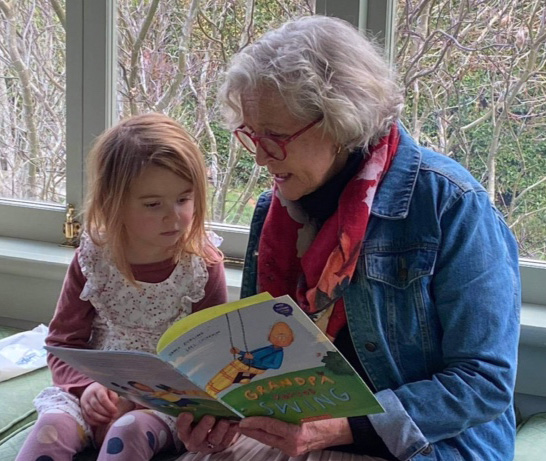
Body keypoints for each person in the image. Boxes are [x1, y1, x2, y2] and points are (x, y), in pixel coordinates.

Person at [175, 15, 521, 461]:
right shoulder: (274, 211)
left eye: (276, 137)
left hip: (425, 447)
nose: (260, 157)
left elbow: (484, 383)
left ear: (341, 120)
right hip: (302, 435)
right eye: (251, 135)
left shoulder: (450, 204)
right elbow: (259, 360)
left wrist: (345, 428)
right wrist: (222, 417)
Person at [17, 113, 228, 461]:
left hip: (161, 407)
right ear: (114, 202)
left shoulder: (202, 266)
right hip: (92, 392)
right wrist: (88, 389)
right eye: (152, 204)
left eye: (184, 199)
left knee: (127, 432)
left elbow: (212, 361)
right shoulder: (94, 258)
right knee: (50, 429)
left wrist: (142, 399)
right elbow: (60, 344)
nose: (173, 217)